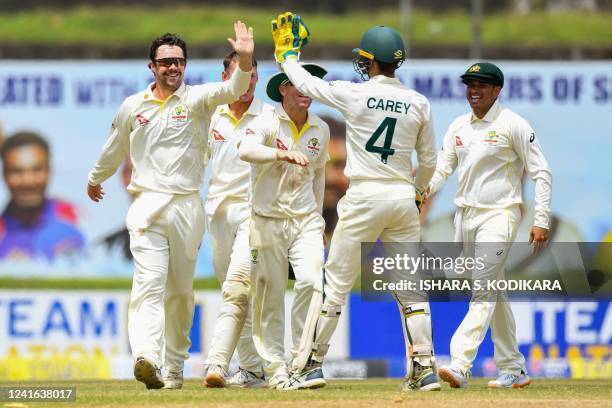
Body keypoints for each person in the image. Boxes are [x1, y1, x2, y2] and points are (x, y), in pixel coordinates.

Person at [271, 14, 439, 391]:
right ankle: (425, 366)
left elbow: (307, 85)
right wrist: (418, 193)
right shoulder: (418, 103)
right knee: (410, 286)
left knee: (335, 284)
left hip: (365, 195)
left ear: (372, 62)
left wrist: (287, 56)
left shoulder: (356, 93)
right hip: (401, 195)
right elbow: (428, 162)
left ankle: (310, 365)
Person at [86, 25, 254, 390]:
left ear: (185, 65)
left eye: (179, 61)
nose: (173, 68)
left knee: (179, 290)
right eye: (166, 62)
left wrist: (244, 56)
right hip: (147, 205)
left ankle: (174, 366)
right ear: (152, 67)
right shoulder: (134, 105)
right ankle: (147, 356)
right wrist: (95, 178)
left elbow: (234, 88)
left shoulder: (198, 100)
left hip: (187, 207)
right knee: (148, 283)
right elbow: (114, 147)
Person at [428, 62, 552, 389]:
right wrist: (420, 194)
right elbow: (442, 170)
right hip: (465, 217)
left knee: (482, 288)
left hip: (501, 214)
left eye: (482, 84)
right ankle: (513, 368)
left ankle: (460, 363)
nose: (474, 90)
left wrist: (540, 219)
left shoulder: (513, 124)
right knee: (493, 288)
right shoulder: (458, 127)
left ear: (497, 90)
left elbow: (541, 173)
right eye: (470, 84)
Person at [237, 63, 330, 389]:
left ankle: (300, 362)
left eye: (311, 84)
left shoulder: (320, 128)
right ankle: (275, 368)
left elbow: (318, 176)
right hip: (267, 220)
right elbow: (245, 150)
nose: (305, 89)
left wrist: (317, 220)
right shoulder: (266, 120)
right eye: (298, 84)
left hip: (305, 221)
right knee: (270, 296)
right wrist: (282, 156)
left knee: (311, 283)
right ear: (283, 89)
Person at [202, 52, 271, 389]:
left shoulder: (268, 115)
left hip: (251, 212)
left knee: (237, 288)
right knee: (233, 293)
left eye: (253, 75)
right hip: (217, 213)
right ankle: (254, 371)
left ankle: (215, 362)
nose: (248, 82)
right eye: (242, 75)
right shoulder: (212, 114)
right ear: (226, 76)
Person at [0, 131, 84, 261]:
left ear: (49, 171)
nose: (27, 181)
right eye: (16, 171)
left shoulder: (78, 222)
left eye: (37, 170)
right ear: (4, 175)